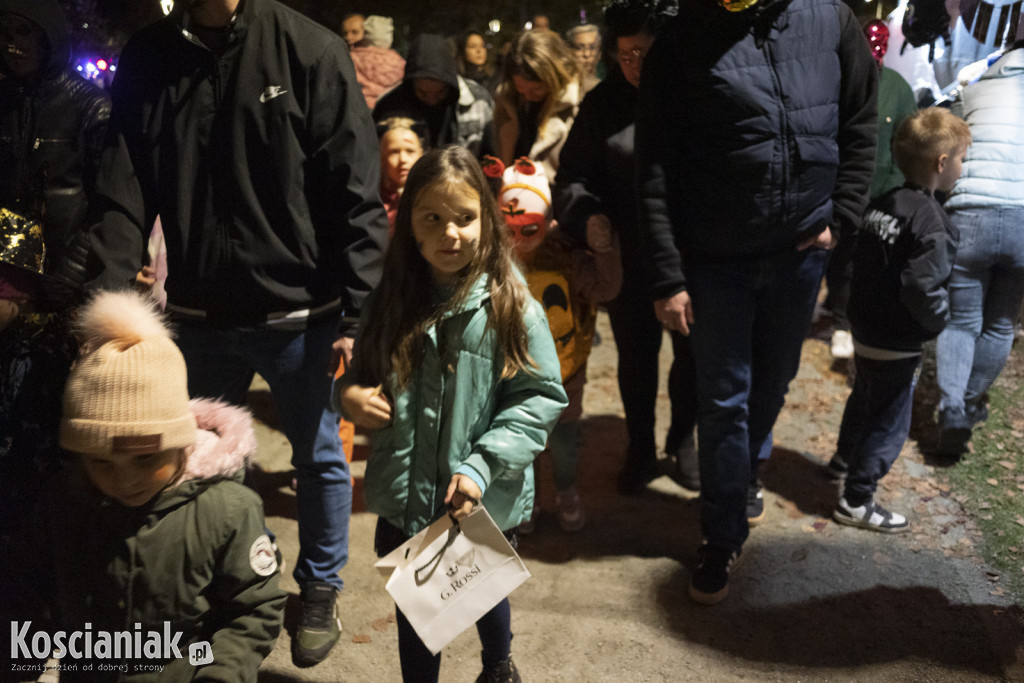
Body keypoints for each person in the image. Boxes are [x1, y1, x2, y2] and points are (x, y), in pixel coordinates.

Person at [81, 0, 388, 667]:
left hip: (304, 313)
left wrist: (361, 313)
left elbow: (355, 185)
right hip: (196, 314)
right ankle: (221, 587)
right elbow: (123, 189)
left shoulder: (309, 48)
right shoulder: (150, 56)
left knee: (318, 457)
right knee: (188, 460)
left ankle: (319, 587)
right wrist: (109, 313)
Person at [636, 0, 878, 604]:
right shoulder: (684, 38)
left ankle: (741, 477)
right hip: (715, 263)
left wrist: (840, 217)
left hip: (800, 256)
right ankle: (721, 533)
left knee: (772, 384)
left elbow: (860, 122)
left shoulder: (832, 20)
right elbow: (654, 166)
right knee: (724, 400)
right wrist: (668, 275)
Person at [336, 146, 567, 682]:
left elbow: (539, 398)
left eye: (465, 218)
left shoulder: (511, 305)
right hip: (408, 496)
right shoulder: (390, 300)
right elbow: (358, 373)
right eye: (432, 218)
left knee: (485, 587)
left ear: (486, 218)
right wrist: (348, 396)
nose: (451, 233)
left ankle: (497, 665)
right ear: (409, 224)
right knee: (418, 616)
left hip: (481, 495)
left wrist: (482, 466)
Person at [14, 290, 285, 680]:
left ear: (181, 442)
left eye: (146, 459)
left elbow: (253, 608)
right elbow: (28, 590)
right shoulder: (63, 502)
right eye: (102, 463)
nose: (124, 480)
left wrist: (222, 674)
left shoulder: (228, 510)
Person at [553, 0, 695, 496]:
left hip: (686, 255)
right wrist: (586, 215)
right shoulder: (603, 104)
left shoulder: (692, 92)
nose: (635, 65)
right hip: (627, 256)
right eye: (625, 55)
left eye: (644, 52)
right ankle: (640, 446)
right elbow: (571, 176)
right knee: (637, 360)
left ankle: (683, 440)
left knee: (692, 357)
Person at [826, 108, 969, 532]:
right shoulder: (933, 223)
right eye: (963, 159)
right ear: (941, 163)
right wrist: (938, 323)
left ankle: (842, 460)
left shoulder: (882, 204)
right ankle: (857, 499)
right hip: (897, 339)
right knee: (889, 421)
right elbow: (921, 286)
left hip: (866, 327)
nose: (963, 168)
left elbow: (855, 263)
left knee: (863, 397)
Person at [0, 0, 104, 571]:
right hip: (15, 292)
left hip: (71, 293)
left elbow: (107, 205)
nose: (12, 43)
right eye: (5, 31)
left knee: (62, 436)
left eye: (25, 31)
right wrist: (19, 283)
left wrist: (63, 282)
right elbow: (7, 205)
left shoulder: (89, 106)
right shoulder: (8, 100)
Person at [496, 156, 620, 532]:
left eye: (529, 229)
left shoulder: (566, 257)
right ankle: (526, 498)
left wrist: (604, 249)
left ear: (549, 224)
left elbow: (605, 287)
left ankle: (565, 489)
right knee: (521, 439)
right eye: (508, 228)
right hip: (513, 372)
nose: (518, 240)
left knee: (565, 439)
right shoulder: (492, 261)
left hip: (566, 369)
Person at [935, 40, 1024, 457]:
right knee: (1000, 325)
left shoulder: (977, 83)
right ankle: (968, 404)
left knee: (961, 322)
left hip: (971, 212)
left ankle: (951, 406)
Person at [828, 19, 920, 361]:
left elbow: (905, 139)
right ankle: (841, 322)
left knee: (872, 262)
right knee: (842, 257)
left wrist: (898, 187)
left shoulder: (897, 87)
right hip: (845, 188)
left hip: (884, 191)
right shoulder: (841, 79)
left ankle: (860, 320)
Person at [373, 33, 495, 158]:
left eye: (439, 93)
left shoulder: (477, 100)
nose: (431, 100)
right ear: (411, 85)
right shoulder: (389, 105)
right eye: (423, 93)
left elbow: (491, 154)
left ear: (450, 85)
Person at [494, 30, 584, 179]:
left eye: (537, 89)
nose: (528, 96)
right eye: (521, 88)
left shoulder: (579, 103)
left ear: (555, 78)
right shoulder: (507, 101)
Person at [346, 14, 405, 110]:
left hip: (360, 107)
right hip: (389, 107)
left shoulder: (352, 58)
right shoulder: (398, 61)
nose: (348, 37)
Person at [378, 117, 425, 236]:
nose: (402, 159)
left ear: (420, 154)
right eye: (394, 152)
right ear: (382, 157)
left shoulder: (433, 197)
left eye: (410, 151)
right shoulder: (374, 202)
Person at [458, 30, 501, 94]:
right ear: (463, 51)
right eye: (473, 46)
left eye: (482, 46)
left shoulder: (496, 79)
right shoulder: (458, 81)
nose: (479, 50)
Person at [565, 23, 602, 92]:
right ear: (569, 51)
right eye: (579, 48)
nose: (587, 54)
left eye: (592, 47)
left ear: (600, 53)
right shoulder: (563, 87)